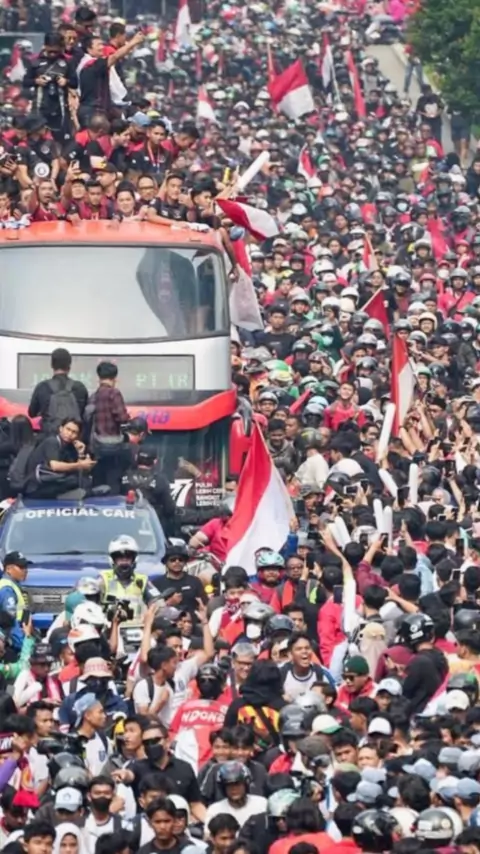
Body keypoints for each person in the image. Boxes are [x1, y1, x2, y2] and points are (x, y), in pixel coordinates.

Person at [28, 349, 88, 435]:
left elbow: (32, 413)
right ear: (69, 366)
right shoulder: (80, 387)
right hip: (73, 437)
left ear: (52, 365)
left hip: (49, 437)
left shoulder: (42, 387)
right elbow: (85, 414)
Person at [0, 552, 32, 651]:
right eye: (21, 567)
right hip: (13, 644)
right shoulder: (7, 589)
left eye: (26, 567)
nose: (25, 570)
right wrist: (21, 641)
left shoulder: (14, 585)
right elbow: (8, 621)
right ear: (8, 569)